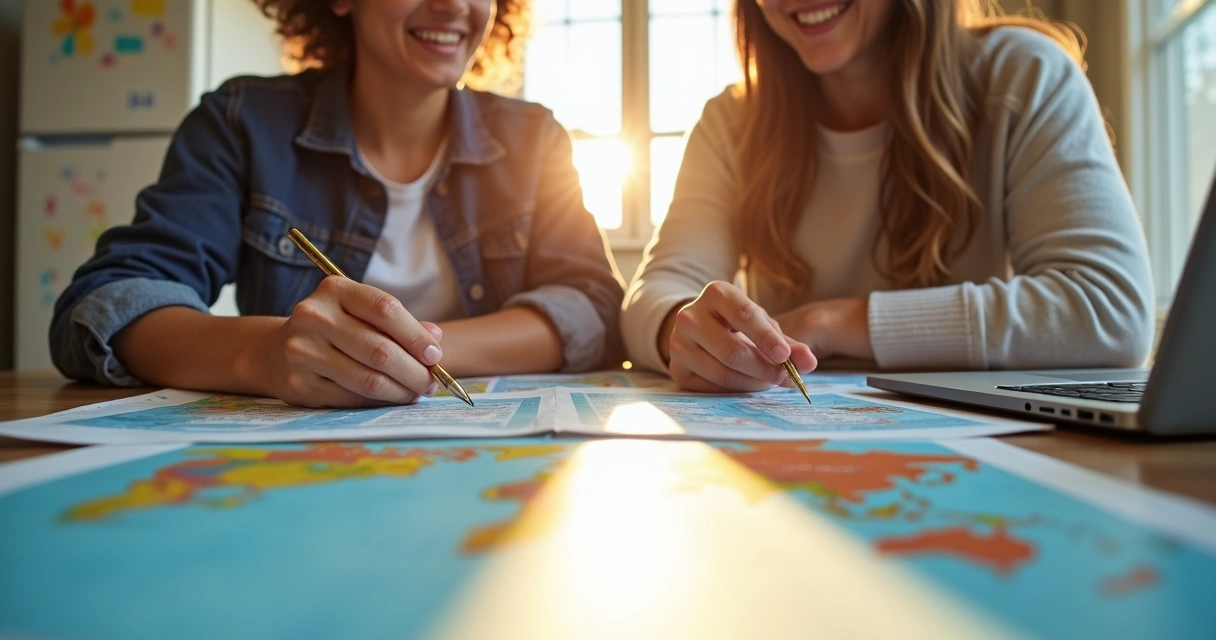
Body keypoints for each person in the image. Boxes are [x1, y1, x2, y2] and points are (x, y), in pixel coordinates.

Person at [51, 0, 624, 407]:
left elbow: (595, 308)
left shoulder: (536, 138)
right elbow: (109, 302)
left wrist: (412, 353)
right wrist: (263, 355)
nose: (453, 3)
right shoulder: (240, 123)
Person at [621, 0, 1154, 393]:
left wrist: (832, 324)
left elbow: (1108, 309)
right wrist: (680, 328)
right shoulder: (730, 121)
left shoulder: (1025, 75)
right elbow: (658, 290)